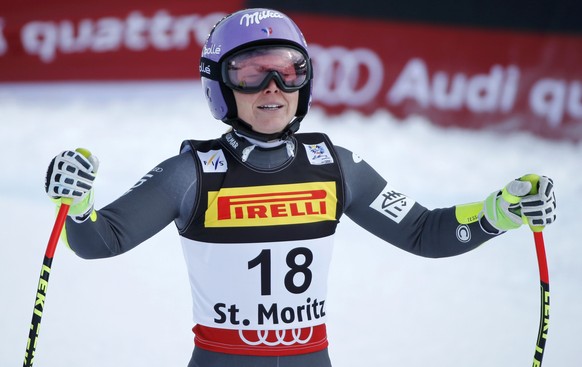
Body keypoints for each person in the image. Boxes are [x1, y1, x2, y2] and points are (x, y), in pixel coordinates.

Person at [44, 8, 557, 367]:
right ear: (220, 87)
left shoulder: (336, 166)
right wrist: (79, 203)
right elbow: (97, 240)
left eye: (289, 72)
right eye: (250, 73)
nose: (273, 88)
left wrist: (498, 212)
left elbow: (425, 232)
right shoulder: (192, 172)